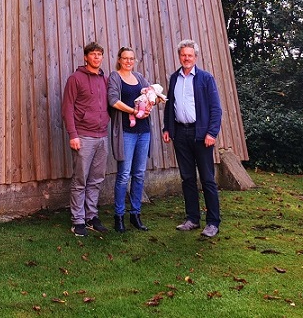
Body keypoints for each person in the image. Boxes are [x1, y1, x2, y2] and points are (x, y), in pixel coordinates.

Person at [161, 39, 222, 238]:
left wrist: (212, 133)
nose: (186, 58)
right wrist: (167, 127)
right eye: (183, 55)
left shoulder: (206, 78)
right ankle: (192, 219)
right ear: (179, 56)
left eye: (190, 55)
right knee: (187, 178)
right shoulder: (174, 78)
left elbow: (216, 109)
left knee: (207, 179)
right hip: (180, 134)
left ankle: (213, 222)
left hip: (201, 135)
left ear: (195, 57)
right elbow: (170, 105)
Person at [62, 42, 110, 236]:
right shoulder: (75, 79)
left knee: (96, 179)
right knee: (80, 179)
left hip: (102, 136)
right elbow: (67, 108)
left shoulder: (105, 80)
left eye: (99, 54)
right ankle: (78, 220)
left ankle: (91, 217)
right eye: (93, 54)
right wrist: (73, 134)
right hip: (83, 136)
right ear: (86, 57)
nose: (96, 57)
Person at [107, 46, 154, 233]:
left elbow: (151, 94)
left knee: (139, 174)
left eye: (131, 58)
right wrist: (134, 111)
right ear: (119, 59)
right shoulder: (115, 77)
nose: (128, 61)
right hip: (126, 132)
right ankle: (119, 216)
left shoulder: (140, 77)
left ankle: (135, 214)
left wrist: (153, 101)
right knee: (123, 175)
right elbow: (113, 101)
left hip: (144, 132)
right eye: (125, 58)